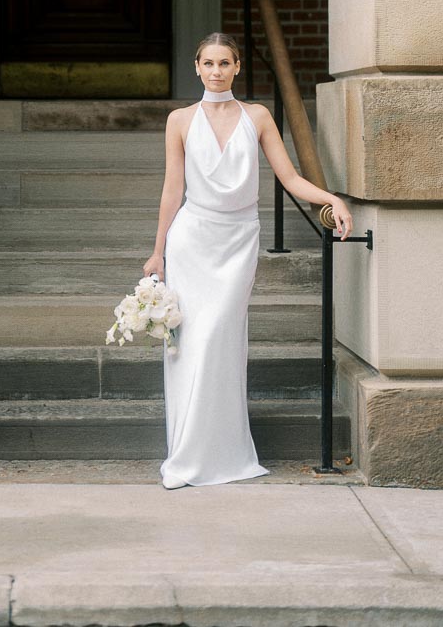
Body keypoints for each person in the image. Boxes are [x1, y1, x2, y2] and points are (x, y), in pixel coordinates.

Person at [143, 31, 353, 489]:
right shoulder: (179, 119)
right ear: (196, 67)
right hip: (192, 240)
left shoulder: (257, 116)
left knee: (221, 339)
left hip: (238, 242)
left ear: (238, 67)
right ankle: (186, 454)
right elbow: (172, 190)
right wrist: (158, 250)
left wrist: (330, 198)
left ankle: (223, 454)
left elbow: (290, 177)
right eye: (208, 63)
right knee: (191, 345)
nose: (216, 71)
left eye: (225, 63)